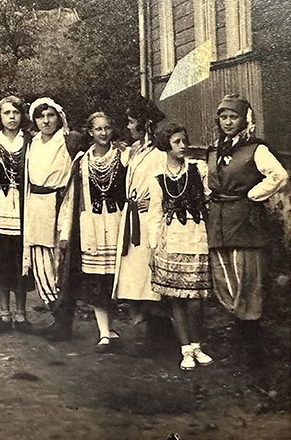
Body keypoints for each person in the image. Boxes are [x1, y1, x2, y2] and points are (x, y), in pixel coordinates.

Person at [206, 94, 287, 366]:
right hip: (218, 222)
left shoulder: (255, 149)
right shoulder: (214, 149)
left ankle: (252, 349)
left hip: (245, 222)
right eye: (223, 117)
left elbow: (279, 176)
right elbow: (210, 181)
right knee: (225, 279)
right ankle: (239, 342)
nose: (228, 122)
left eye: (234, 117)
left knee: (247, 281)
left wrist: (253, 194)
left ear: (244, 119)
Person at [59, 112, 127, 352]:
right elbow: (72, 197)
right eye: (98, 129)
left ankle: (112, 327)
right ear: (90, 132)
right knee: (96, 280)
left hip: (117, 223)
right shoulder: (82, 161)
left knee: (114, 279)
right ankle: (104, 333)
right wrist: (65, 232)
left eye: (107, 128)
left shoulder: (123, 156)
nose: (103, 133)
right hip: (92, 226)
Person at [148, 123, 214, 371]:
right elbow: (154, 215)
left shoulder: (198, 168)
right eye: (177, 142)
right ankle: (185, 348)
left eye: (184, 140)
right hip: (171, 240)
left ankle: (197, 345)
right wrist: (154, 246)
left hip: (196, 237)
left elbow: (210, 197)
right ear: (165, 145)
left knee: (195, 299)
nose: (183, 146)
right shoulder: (158, 177)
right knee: (176, 298)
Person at [23, 98, 80, 341]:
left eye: (50, 115)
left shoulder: (68, 141)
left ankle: (64, 321)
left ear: (59, 116)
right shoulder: (33, 142)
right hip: (35, 205)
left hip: (59, 204)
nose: (46, 121)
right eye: (40, 117)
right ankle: (55, 315)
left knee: (59, 261)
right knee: (39, 260)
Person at [0, 96, 35, 334]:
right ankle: (4, 315)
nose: (11, 117)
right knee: (1, 263)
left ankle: (21, 315)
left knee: (21, 263)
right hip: (0, 209)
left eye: (16, 112)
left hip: (24, 209)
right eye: (6, 113)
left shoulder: (30, 142)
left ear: (22, 116)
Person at [113, 98, 167, 336]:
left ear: (145, 123)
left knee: (148, 274)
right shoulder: (137, 150)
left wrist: (155, 200)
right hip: (132, 218)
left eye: (131, 121)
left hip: (148, 220)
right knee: (133, 275)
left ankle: (157, 328)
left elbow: (166, 181)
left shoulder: (160, 152)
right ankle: (141, 325)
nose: (128, 126)